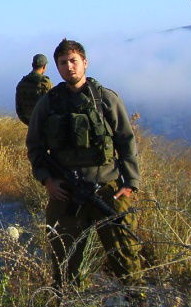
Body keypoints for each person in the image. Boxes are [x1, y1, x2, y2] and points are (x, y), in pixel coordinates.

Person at [26, 39, 144, 289]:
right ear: (56, 67)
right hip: (66, 191)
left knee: (125, 254)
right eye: (63, 63)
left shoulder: (105, 99)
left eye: (74, 61)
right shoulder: (49, 102)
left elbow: (125, 140)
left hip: (106, 188)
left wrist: (130, 182)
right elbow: (35, 145)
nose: (69, 67)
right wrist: (47, 179)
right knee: (64, 258)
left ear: (85, 63)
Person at [15, 53, 53, 125]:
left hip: (30, 124)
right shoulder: (45, 83)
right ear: (44, 66)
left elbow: (19, 109)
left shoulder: (21, 83)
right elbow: (53, 105)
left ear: (32, 65)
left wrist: (30, 123)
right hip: (45, 125)